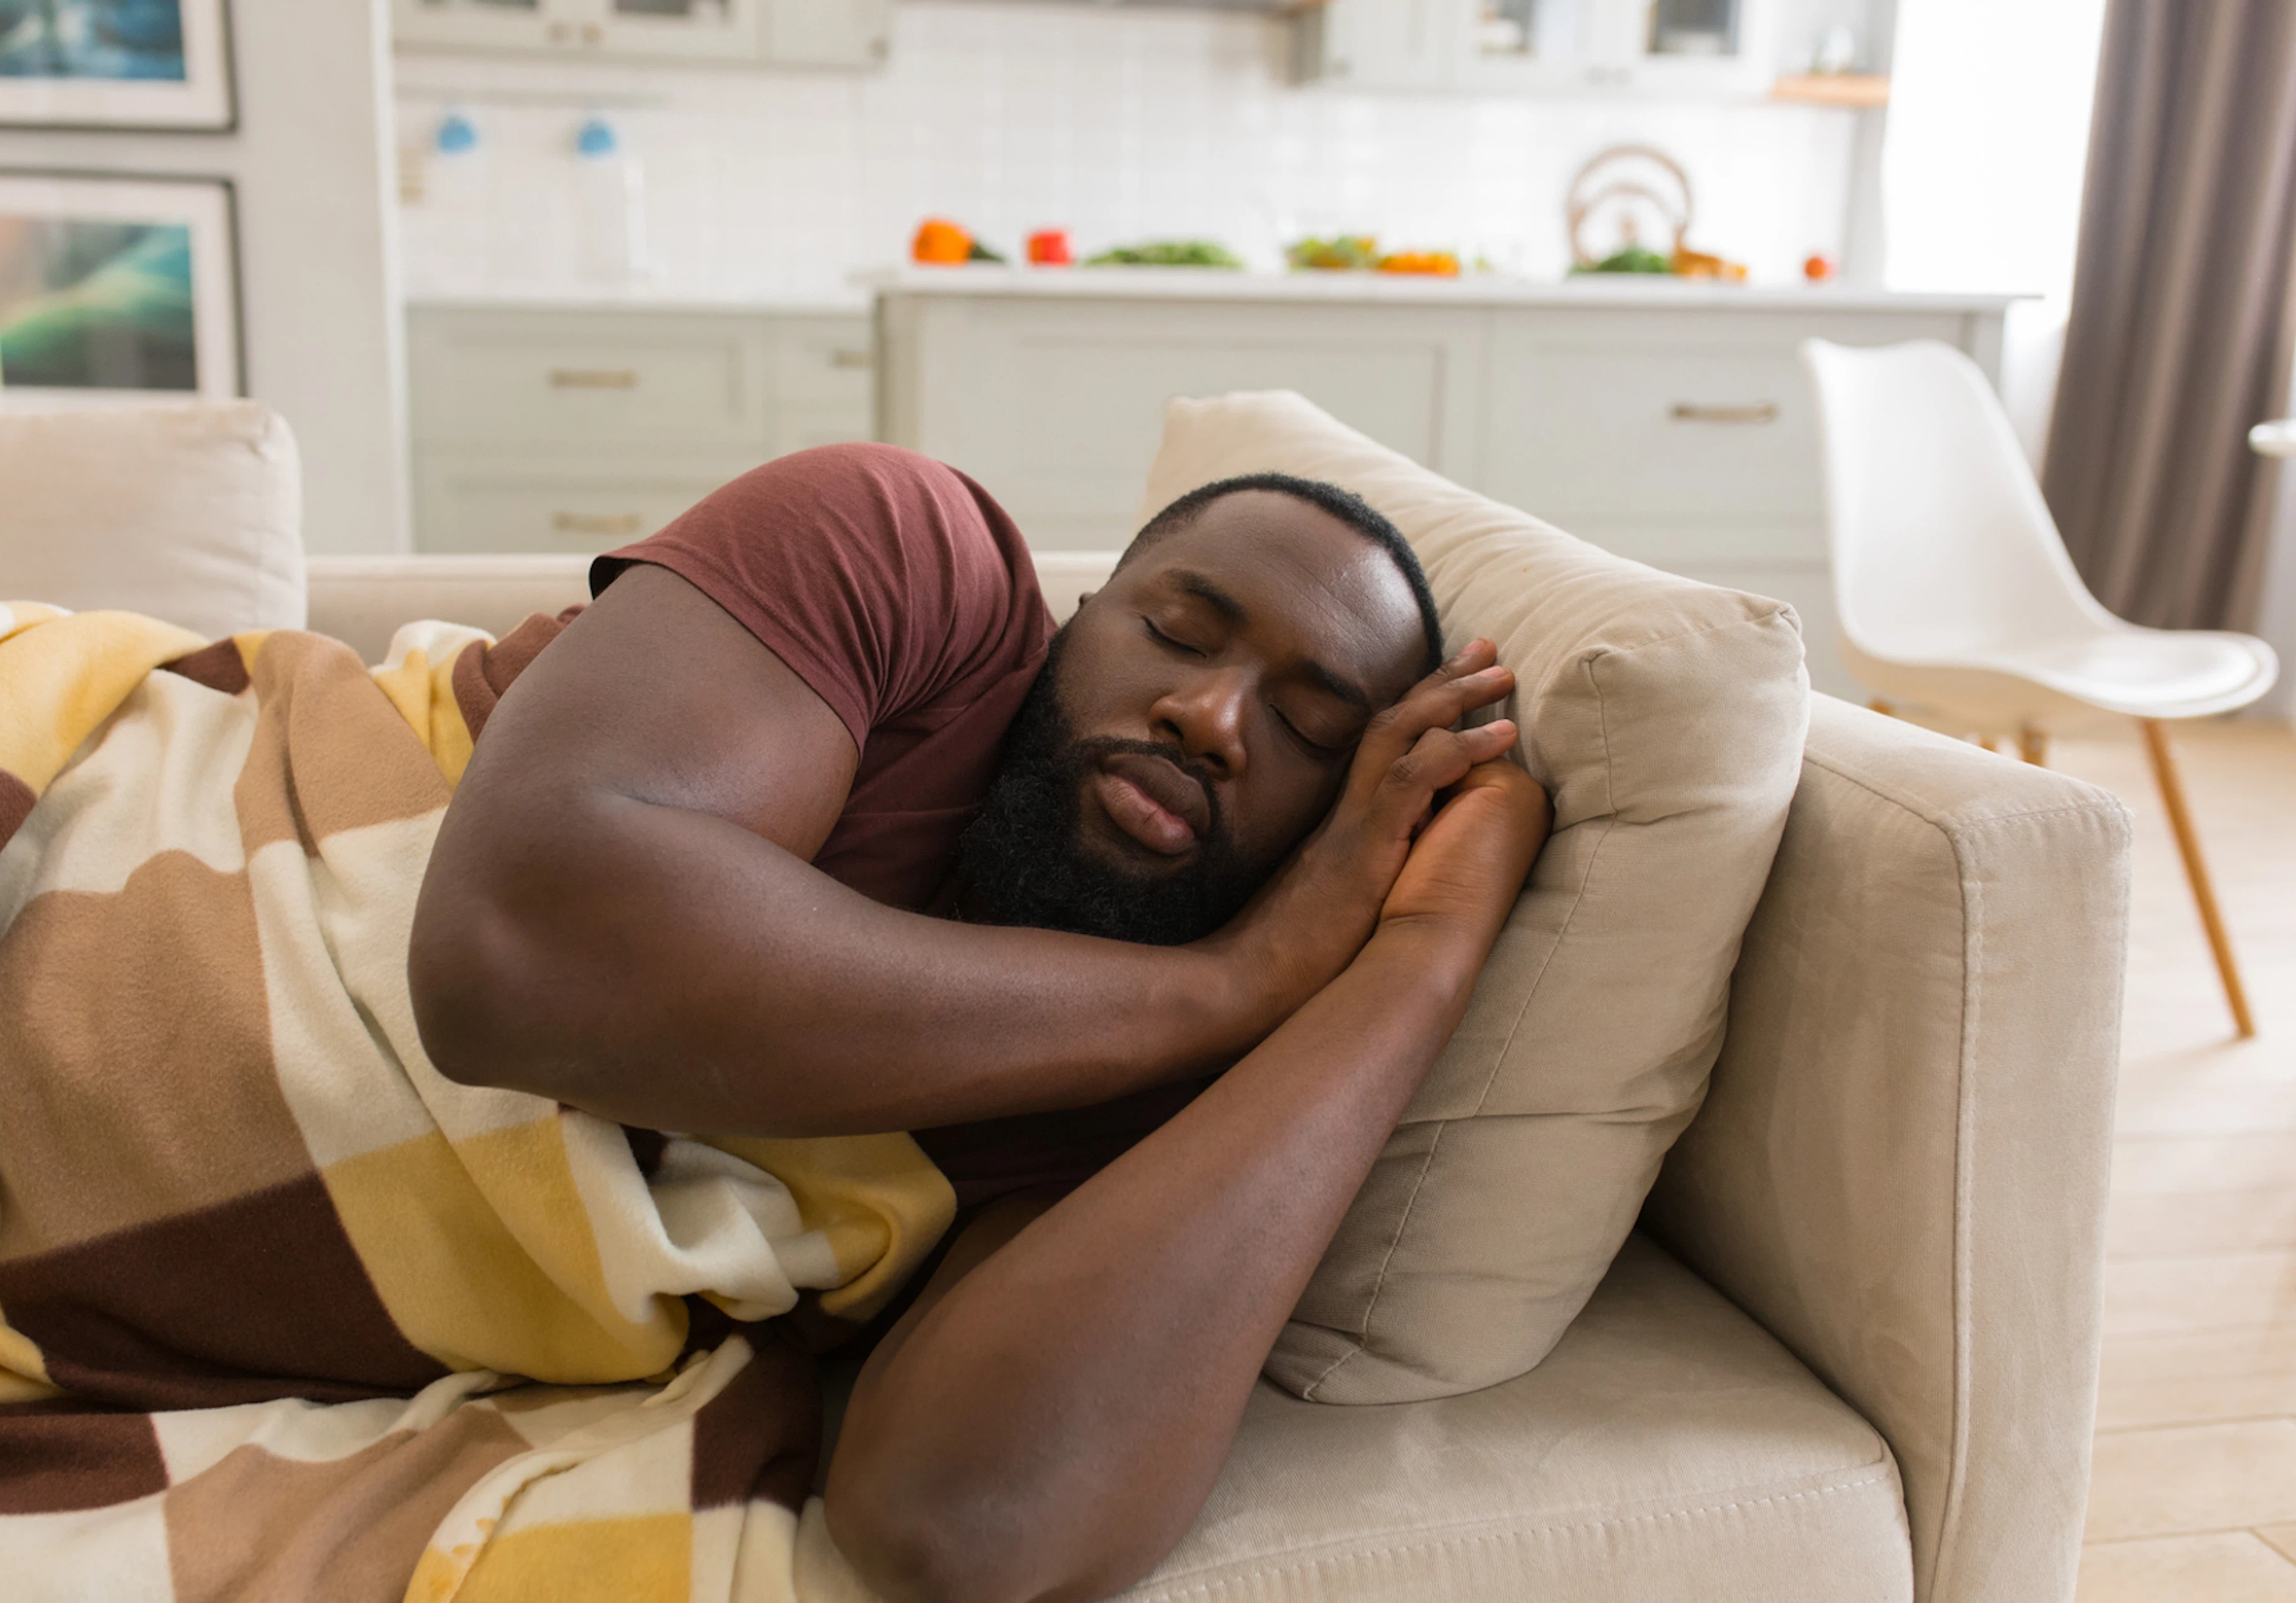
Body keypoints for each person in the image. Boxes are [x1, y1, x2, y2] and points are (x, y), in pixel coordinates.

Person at [409, 441, 1550, 1603]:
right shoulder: (910, 553)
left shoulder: (1145, 1111)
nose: (1210, 718)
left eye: (1309, 729)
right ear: (1076, 616)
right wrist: (1233, 981)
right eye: (1177, 635)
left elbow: (967, 1525)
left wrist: (1420, 959)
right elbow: (509, 952)